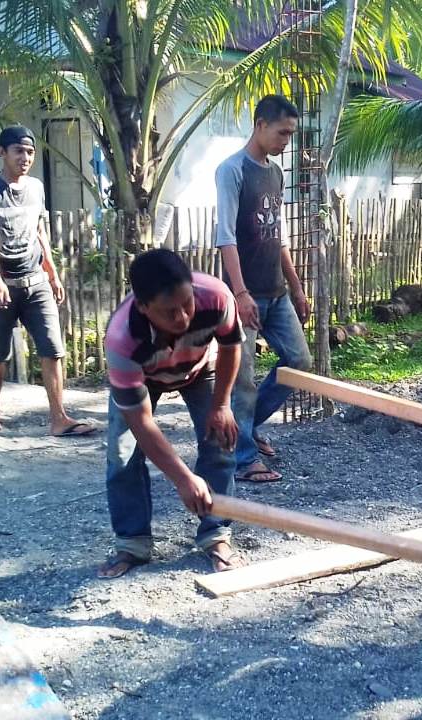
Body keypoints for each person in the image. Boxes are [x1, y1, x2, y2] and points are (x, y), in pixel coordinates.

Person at [98, 249, 244, 578]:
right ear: (143, 306)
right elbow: (142, 423)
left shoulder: (217, 297)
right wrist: (182, 479)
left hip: (199, 369)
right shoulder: (123, 338)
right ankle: (133, 543)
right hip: (144, 378)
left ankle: (216, 534)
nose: (182, 318)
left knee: (220, 442)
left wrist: (221, 405)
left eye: (187, 303)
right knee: (122, 456)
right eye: (169, 312)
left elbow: (232, 346)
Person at [0, 125, 94, 436]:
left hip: (36, 282)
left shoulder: (36, 187)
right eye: (18, 151)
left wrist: (51, 271)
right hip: (4, 285)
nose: (25, 157)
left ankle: (58, 417)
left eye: (30, 152)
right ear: (2, 152)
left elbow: (40, 230)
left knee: (52, 348)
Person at [216, 94, 312, 484]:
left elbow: (280, 236)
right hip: (245, 293)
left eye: (291, 134)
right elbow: (225, 238)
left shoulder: (275, 173)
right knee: (242, 379)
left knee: (299, 363)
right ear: (259, 125)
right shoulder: (231, 170)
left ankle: (248, 425)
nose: (286, 141)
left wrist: (297, 287)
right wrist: (239, 295)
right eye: (282, 133)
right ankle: (244, 459)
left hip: (277, 292)